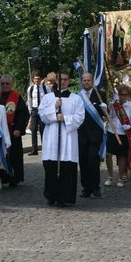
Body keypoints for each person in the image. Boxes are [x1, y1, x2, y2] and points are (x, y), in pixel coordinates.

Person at [38, 71, 85, 206]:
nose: (63, 82)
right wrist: (54, 109)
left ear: (68, 81)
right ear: (56, 82)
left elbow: (80, 117)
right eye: (60, 79)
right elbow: (42, 115)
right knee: (51, 167)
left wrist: (65, 118)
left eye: (65, 79)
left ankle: (65, 197)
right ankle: (51, 195)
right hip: (52, 136)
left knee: (67, 167)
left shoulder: (76, 99)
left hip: (68, 137)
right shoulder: (48, 98)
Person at [77, 73, 107, 198]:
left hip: (95, 134)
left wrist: (105, 108)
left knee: (93, 159)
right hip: (82, 134)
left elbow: (105, 114)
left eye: (88, 80)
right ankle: (86, 188)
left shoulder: (100, 95)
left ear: (93, 82)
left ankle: (96, 187)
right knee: (83, 161)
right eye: (84, 80)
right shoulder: (78, 97)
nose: (86, 82)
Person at [0, 75, 29, 187]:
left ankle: (13, 178)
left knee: (14, 156)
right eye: (3, 83)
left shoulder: (17, 97)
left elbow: (23, 114)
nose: (5, 85)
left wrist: (18, 128)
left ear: (12, 84)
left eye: (7, 83)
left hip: (12, 131)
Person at [104, 84, 131, 187]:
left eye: (125, 95)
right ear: (118, 94)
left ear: (128, 95)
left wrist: (129, 126)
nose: (123, 96)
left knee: (122, 156)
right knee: (108, 154)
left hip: (124, 133)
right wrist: (108, 109)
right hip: (112, 131)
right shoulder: (114, 104)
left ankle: (120, 178)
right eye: (121, 94)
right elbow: (109, 117)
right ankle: (110, 176)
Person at [27, 71, 51, 155]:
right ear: (33, 79)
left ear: (41, 79)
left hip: (43, 110)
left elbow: (50, 100)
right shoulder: (30, 89)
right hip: (34, 110)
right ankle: (34, 149)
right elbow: (29, 101)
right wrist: (30, 113)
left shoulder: (46, 88)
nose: (36, 80)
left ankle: (45, 148)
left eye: (38, 78)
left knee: (43, 130)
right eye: (35, 78)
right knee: (33, 130)